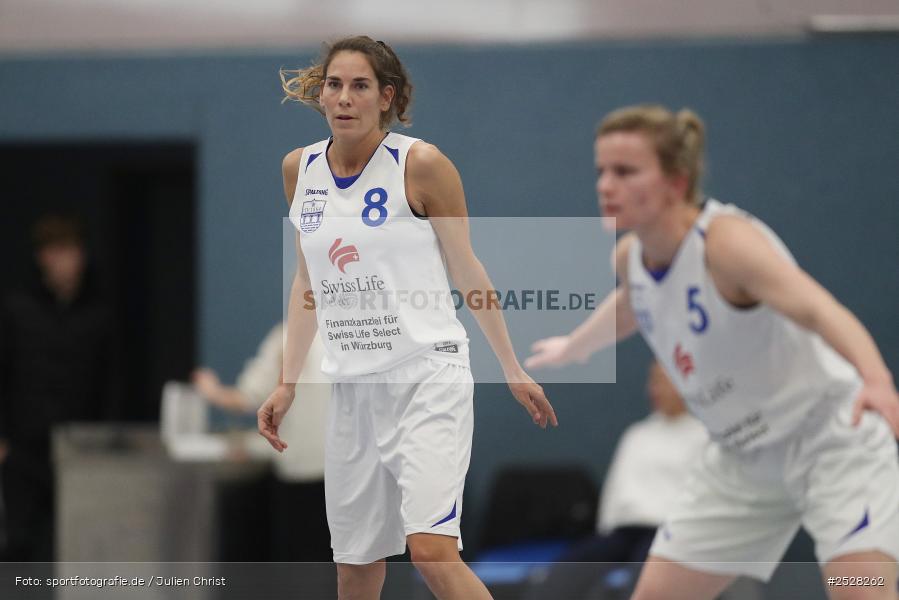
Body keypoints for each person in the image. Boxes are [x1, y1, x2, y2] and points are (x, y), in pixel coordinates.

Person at [526, 104, 899, 600]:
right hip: (741, 459)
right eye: (601, 171)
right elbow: (632, 304)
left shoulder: (726, 244)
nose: (605, 186)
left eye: (625, 171)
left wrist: (877, 380)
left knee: (862, 591)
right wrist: (574, 346)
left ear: (676, 183)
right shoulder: (631, 258)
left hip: (827, 438)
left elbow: (819, 309)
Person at [257, 36, 557, 600]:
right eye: (334, 85)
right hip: (351, 387)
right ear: (321, 95)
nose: (344, 98)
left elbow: (468, 270)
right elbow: (307, 282)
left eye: (360, 86)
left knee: (432, 553)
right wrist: (287, 382)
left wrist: (513, 367)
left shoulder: (420, 164)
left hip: (427, 377)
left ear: (386, 97)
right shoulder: (299, 169)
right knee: (356, 567)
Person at [522, 360, 707, 600]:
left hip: (667, 535)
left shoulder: (703, 436)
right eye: (653, 382)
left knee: (643, 582)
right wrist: (605, 533)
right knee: (565, 573)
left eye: (664, 381)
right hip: (623, 533)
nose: (656, 389)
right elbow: (614, 490)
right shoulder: (636, 434)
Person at [0, 213, 116, 561]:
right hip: (23, 445)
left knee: (73, 542)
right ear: (42, 257)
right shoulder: (17, 309)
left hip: (79, 445)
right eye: (54, 251)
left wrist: (105, 440)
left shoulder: (98, 315)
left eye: (69, 250)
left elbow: (110, 380)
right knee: (19, 540)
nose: (63, 260)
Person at [192, 323, 331, 562]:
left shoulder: (287, 337)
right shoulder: (359, 335)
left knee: (301, 563)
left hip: (299, 473)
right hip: (345, 472)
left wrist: (211, 391)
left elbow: (248, 396)